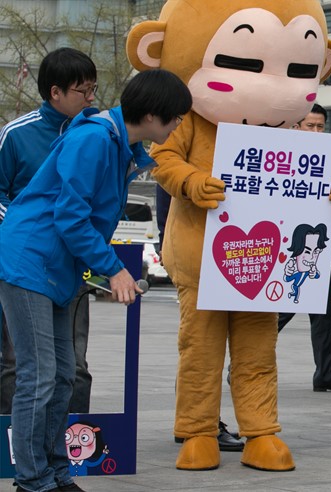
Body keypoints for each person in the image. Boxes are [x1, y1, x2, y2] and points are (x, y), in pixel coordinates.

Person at [0, 68, 191, 492]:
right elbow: (70, 216)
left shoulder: (120, 145)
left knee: (63, 376)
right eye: (177, 116)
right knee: (38, 375)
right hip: (29, 259)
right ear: (154, 113)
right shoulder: (94, 139)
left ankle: (56, 472)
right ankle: (31, 480)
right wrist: (114, 268)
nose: (179, 124)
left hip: (58, 267)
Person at [0, 48, 97, 416]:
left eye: (93, 89)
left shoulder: (94, 134)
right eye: (83, 91)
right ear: (55, 92)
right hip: (25, 266)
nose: (91, 98)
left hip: (72, 263)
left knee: (74, 363)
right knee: (19, 363)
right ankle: (13, 440)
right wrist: (25, 228)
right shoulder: (16, 134)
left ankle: (71, 440)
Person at [156, 185, 245, 451]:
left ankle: (194, 422)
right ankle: (199, 424)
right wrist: (166, 240)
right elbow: (167, 189)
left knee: (201, 344)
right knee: (201, 345)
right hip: (197, 244)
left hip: (236, 241)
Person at [277, 104, 331, 393]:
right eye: (311, 126)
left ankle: (325, 373)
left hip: (318, 249)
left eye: (321, 126)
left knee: (324, 318)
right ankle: (242, 364)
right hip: (288, 248)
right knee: (280, 312)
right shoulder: (282, 156)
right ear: (296, 126)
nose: (317, 131)